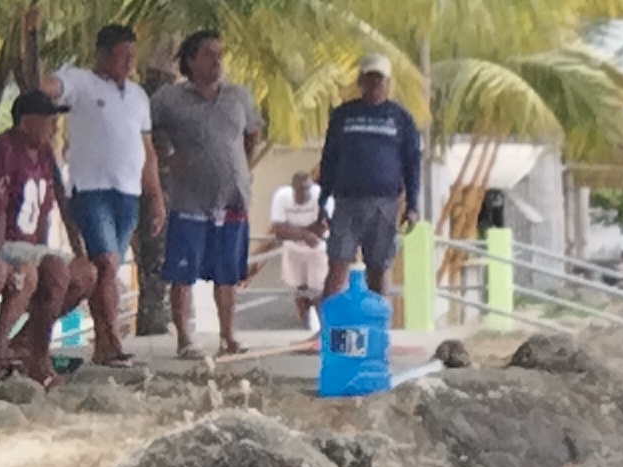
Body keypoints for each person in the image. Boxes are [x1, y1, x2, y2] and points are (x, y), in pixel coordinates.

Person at [145, 28, 268, 358]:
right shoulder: (169, 99)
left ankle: (228, 336)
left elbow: (252, 134)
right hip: (190, 199)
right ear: (191, 60)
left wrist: (242, 167)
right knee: (182, 272)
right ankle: (185, 339)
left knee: (228, 272)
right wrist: (168, 158)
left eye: (220, 54)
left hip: (232, 198)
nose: (217, 61)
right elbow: (146, 131)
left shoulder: (238, 96)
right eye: (209, 54)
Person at [0, 91, 94, 386]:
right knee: (56, 269)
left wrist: (47, 252)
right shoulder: (0, 150)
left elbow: (47, 212)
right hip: (3, 244)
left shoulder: (45, 155)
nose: (54, 127)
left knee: (86, 273)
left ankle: (23, 343)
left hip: (30, 247)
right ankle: (36, 359)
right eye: (49, 120)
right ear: (27, 121)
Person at [48, 24, 153, 366]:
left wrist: (155, 196)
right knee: (106, 261)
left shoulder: (138, 96)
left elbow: (147, 150)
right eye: (123, 56)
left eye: (132, 56)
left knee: (108, 268)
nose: (129, 63)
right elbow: (51, 87)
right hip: (92, 189)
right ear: (103, 56)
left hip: (128, 192)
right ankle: (112, 340)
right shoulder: (81, 82)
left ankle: (104, 343)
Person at [318, 53, 424, 301]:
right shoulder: (343, 115)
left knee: (378, 269)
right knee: (337, 266)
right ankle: (327, 322)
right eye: (370, 78)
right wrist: (323, 200)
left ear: (388, 83)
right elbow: (329, 158)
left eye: (380, 79)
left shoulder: (401, 118)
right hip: (346, 202)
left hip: (384, 205)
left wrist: (412, 205)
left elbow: (412, 163)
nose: (375, 84)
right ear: (360, 81)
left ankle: (378, 321)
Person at [262, 168, 332, 324]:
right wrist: (305, 234)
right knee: (298, 291)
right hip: (293, 248)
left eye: (306, 189)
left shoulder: (320, 196)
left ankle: (323, 326)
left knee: (318, 290)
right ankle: (304, 325)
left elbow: (323, 227)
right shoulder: (282, 197)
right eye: (300, 189)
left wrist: (293, 230)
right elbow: (279, 230)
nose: (303, 193)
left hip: (317, 248)